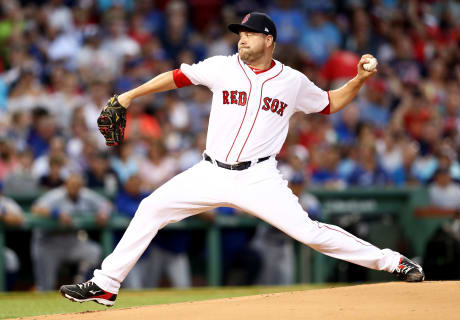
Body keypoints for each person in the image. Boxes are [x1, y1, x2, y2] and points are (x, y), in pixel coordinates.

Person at [60, 12, 424, 307]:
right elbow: (177, 76)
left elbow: (330, 103)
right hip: (211, 170)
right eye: (240, 33)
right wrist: (127, 96)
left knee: (310, 233)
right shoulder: (222, 66)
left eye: (250, 33)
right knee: (151, 207)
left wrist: (358, 79)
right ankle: (106, 284)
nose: (242, 38)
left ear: (269, 40)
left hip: (258, 178)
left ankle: (392, 261)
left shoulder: (291, 81)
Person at [31, 173, 112, 291]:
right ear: (66, 184)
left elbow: (107, 205)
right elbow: (36, 208)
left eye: (78, 185)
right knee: (45, 286)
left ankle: (81, 283)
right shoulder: (56, 195)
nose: (75, 188)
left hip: (71, 241)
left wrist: (103, 213)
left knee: (93, 251)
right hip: (48, 243)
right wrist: (56, 214)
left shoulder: (85, 195)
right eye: (72, 185)